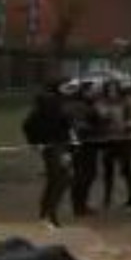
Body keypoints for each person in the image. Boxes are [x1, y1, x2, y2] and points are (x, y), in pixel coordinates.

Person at [22, 83, 74, 227]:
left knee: (60, 179)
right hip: (53, 147)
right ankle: (48, 214)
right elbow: (29, 124)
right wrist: (35, 142)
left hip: (60, 146)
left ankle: (48, 212)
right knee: (58, 179)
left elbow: (65, 126)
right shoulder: (50, 103)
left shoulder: (58, 104)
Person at [100, 84, 131, 210]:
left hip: (124, 140)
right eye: (109, 91)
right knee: (108, 170)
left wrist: (125, 125)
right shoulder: (103, 104)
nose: (111, 94)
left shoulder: (127, 103)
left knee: (127, 170)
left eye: (113, 91)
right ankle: (107, 199)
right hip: (109, 141)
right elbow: (100, 120)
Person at [64, 83, 104, 217]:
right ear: (84, 93)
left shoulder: (69, 107)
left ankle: (79, 205)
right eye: (91, 91)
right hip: (86, 145)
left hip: (76, 145)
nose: (95, 94)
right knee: (86, 176)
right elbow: (97, 125)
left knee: (81, 176)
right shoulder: (85, 108)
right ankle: (80, 206)